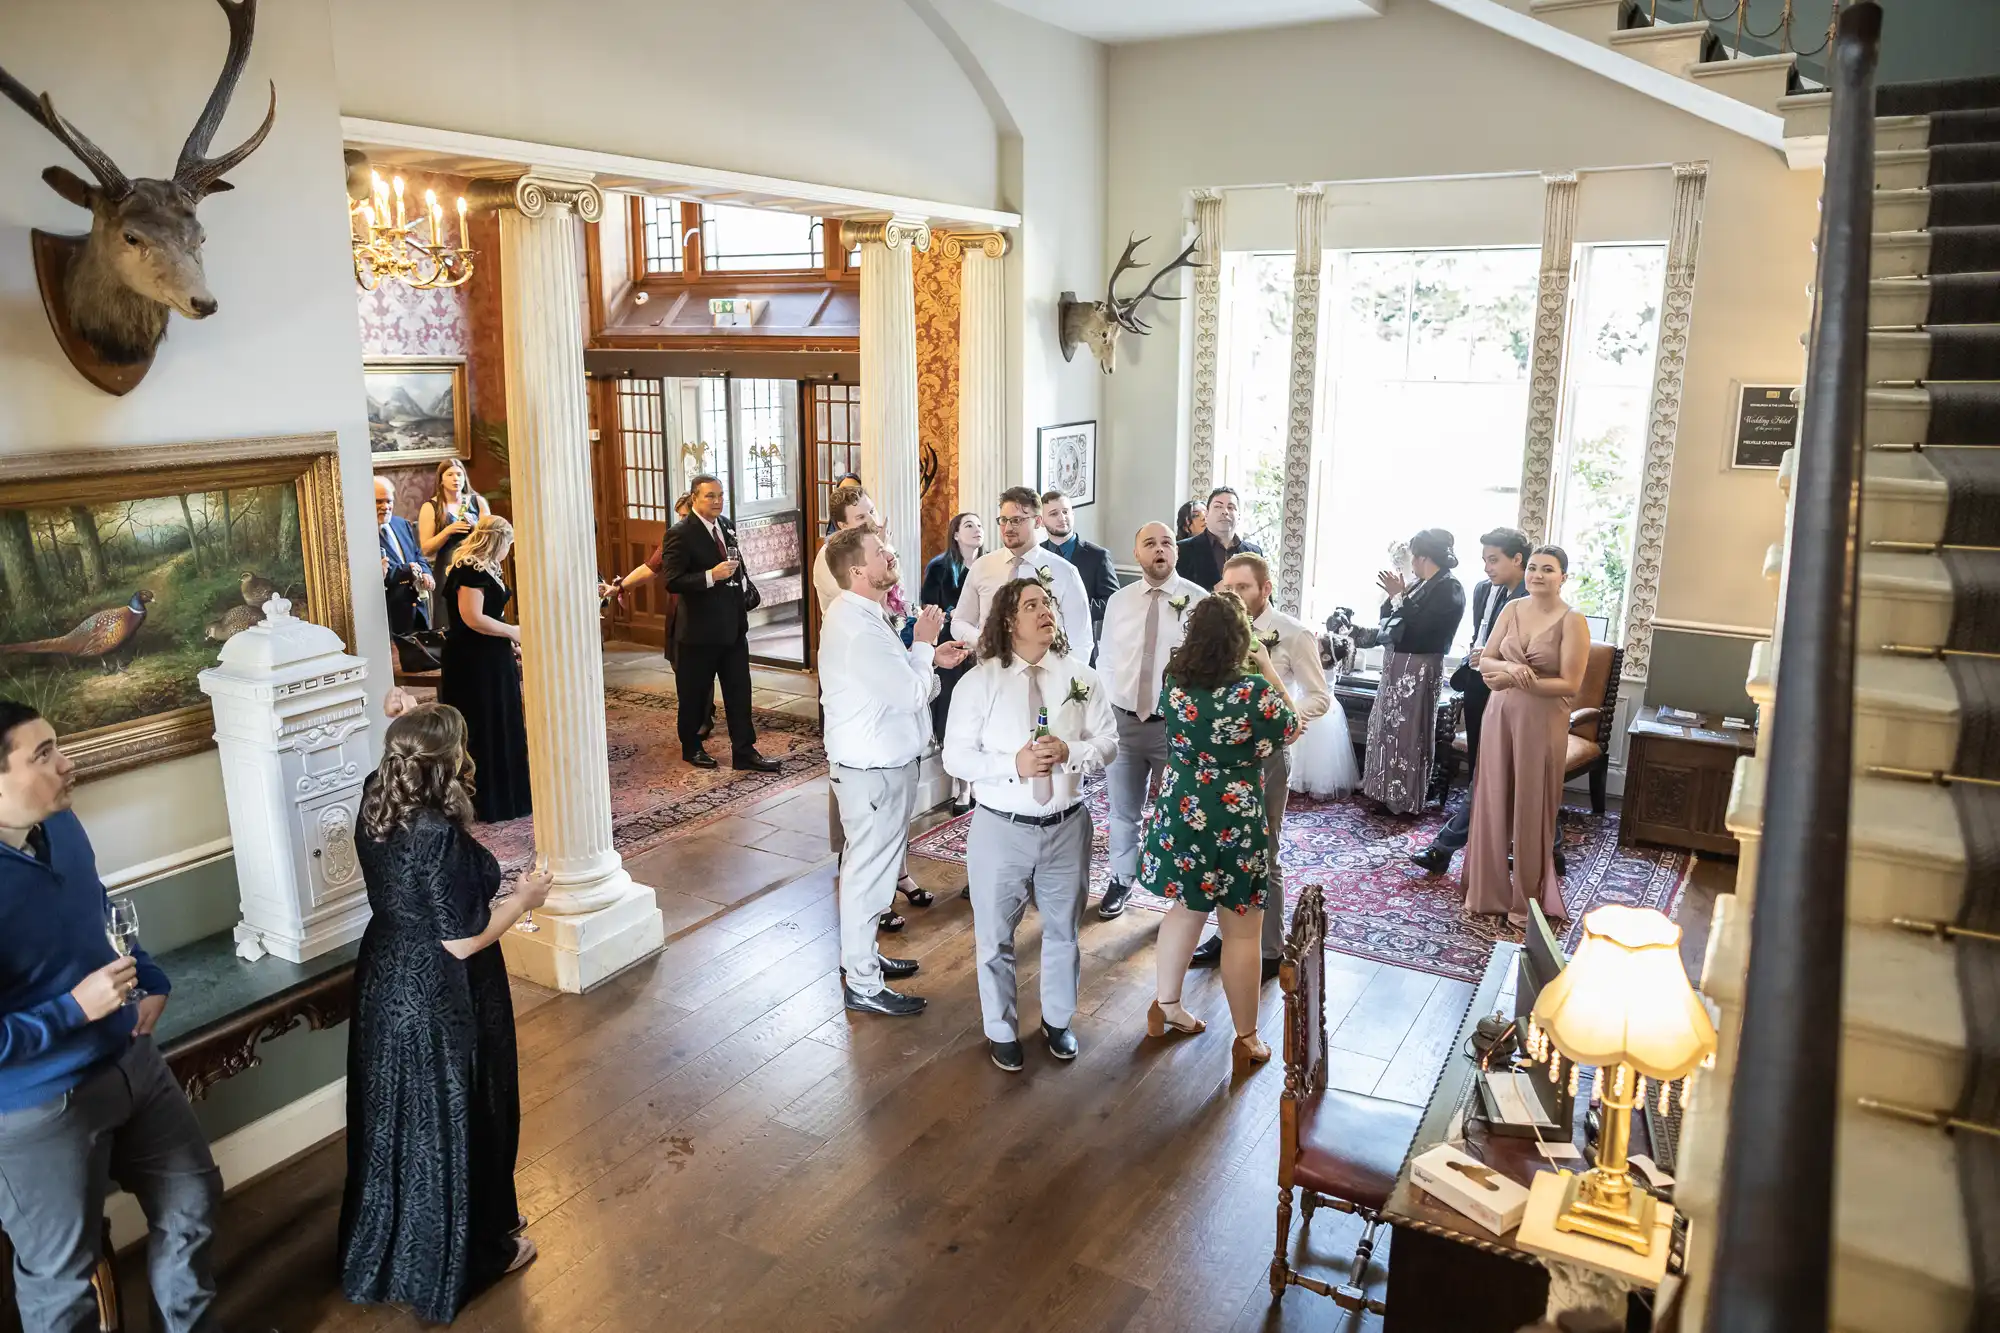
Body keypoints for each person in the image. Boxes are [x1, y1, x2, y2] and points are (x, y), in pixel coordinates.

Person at [0, 703, 221, 1331]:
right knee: (63, 1282)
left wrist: (146, 974)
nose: (67, 764)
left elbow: (96, 908)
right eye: (42, 754)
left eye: (58, 745)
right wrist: (72, 1010)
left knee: (193, 1203)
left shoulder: (62, 824)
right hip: (40, 1108)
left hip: (132, 1060)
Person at [339, 704, 552, 1323]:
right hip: (442, 994)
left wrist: (410, 716)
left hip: (385, 980)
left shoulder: (375, 795)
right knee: (460, 1113)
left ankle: (391, 1251)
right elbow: (462, 939)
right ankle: (471, 1252)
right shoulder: (436, 834)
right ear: (451, 761)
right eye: (461, 745)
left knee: (397, 1119)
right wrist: (523, 898)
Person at [944, 578, 1117, 1072]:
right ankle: (1000, 1029)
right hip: (1001, 827)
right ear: (1008, 620)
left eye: (1048, 603)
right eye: (1032, 605)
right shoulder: (980, 682)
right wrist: (1012, 766)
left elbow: (1109, 741)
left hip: (1068, 825)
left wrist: (1073, 751)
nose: (1045, 611)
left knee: (1064, 931)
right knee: (994, 935)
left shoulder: (1080, 676)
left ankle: (1058, 1022)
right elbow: (956, 755)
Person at [1136, 594, 1298, 1074]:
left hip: (1183, 807)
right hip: (1233, 815)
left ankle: (1164, 1006)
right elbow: (1290, 726)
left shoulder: (1175, 682)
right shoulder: (1252, 692)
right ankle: (1246, 1038)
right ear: (1240, 640)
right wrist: (1267, 666)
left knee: (1184, 909)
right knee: (1242, 930)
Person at [819, 528, 970, 1018]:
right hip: (872, 769)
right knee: (868, 876)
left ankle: (862, 960)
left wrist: (928, 659)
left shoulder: (864, 614)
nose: (891, 554)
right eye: (879, 552)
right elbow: (908, 694)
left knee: (874, 872)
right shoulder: (857, 626)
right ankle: (861, 983)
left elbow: (897, 680)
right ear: (858, 571)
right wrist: (925, 646)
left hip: (881, 765)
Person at [1184, 553, 1332, 980]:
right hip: (1220, 760)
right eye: (1225, 587)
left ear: (1265, 589)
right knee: (1219, 850)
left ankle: (1268, 947)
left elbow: (1319, 696)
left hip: (1266, 755)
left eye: (1242, 587)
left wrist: (1283, 717)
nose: (1232, 594)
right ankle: (1229, 934)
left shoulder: (1292, 633)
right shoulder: (1215, 632)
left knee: (1264, 850)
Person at [1463, 546, 1591, 928]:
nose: (1537, 575)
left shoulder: (1573, 620)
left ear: (1563, 577)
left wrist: (1518, 678)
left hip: (1542, 719)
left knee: (1532, 807)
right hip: (1499, 714)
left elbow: (1570, 683)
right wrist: (1506, 670)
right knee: (1492, 799)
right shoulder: (1512, 610)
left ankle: (1527, 902)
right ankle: (1489, 893)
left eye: (1548, 570)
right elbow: (1484, 659)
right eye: (1533, 568)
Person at [1096, 521, 1206, 921]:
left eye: (1166, 543)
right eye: (1150, 544)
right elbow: (1105, 658)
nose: (1159, 550)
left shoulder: (1198, 601)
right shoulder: (1119, 602)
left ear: (1175, 552)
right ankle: (1121, 879)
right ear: (1137, 553)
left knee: (1181, 809)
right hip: (1123, 722)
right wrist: (1107, 711)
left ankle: (1181, 891)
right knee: (1123, 810)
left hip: (1174, 726)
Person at [1412, 528, 1538, 876]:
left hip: (1513, 693)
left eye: (1493, 560)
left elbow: (1533, 655)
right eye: (1484, 560)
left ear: (1517, 560)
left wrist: (1495, 659)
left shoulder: (1533, 599)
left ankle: (1445, 847)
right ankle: (1549, 846)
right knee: (1491, 769)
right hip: (1477, 686)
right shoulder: (1483, 590)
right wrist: (1476, 655)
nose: (1486, 568)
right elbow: (1480, 635)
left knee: (1494, 772)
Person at [655, 475, 781, 772]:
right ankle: (692, 748)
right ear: (694, 498)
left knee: (740, 692)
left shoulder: (726, 524)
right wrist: (711, 575)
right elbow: (672, 581)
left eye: (720, 495)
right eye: (710, 496)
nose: (717, 501)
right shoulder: (680, 533)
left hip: (733, 627)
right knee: (694, 696)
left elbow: (738, 565)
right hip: (698, 632)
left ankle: (744, 751)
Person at [1359, 527, 1466, 816]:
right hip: (1397, 664)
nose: (1413, 563)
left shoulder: (1449, 588)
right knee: (1387, 728)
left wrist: (1399, 597)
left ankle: (1405, 798)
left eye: (1415, 557)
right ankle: (1383, 791)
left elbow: (1423, 629)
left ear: (1423, 557)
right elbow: (1390, 620)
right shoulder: (1420, 584)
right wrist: (1395, 596)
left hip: (1419, 667)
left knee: (1409, 730)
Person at [440, 515, 532, 822]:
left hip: (492, 655)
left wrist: (508, 641)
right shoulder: (469, 569)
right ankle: (485, 800)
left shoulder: (489, 567)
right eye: (509, 543)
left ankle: (510, 796)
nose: (510, 550)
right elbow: (472, 617)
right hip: (472, 660)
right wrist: (512, 632)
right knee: (483, 723)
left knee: (503, 719)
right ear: (498, 541)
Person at [602, 492, 709, 737]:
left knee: (699, 666)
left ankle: (702, 717)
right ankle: (700, 710)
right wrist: (620, 587)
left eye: (686, 516)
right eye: (680, 516)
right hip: (678, 610)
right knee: (679, 664)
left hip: (702, 612)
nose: (682, 521)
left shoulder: (711, 538)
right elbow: (650, 568)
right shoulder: (675, 538)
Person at [951, 486, 1094, 660]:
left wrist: (1066, 681)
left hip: (1046, 675)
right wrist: (983, 641)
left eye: (1017, 520)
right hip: (991, 674)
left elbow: (1081, 641)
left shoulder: (1064, 571)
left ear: (1038, 521)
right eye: (1004, 520)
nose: (1008, 527)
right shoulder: (982, 567)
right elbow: (959, 622)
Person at [922, 512, 985, 814]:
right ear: (956, 535)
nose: (977, 530)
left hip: (985, 652)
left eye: (980, 525)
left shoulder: (991, 567)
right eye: (969, 525)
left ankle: (983, 782)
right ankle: (964, 789)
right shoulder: (940, 567)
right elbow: (929, 608)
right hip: (953, 652)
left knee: (982, 719)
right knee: (953, 717)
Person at [1038, 490, 1118, 646]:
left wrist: (1077, 610)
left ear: (1073, 514)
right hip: (1042, 644)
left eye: (1066, 512)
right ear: (1041, 521)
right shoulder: (1036, 555)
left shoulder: (1098, 556)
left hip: (1082, 644)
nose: (1062, 518)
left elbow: (1113, 601)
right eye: (1054, 514)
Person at [418, 458, 488, 634]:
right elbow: (426, 548)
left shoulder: (477, 502)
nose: (455, 478)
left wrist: (476, 527)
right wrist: (448, 531)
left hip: (477, 565)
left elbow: (493, 536)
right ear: (441, 480)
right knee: (450, 619)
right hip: (447, 570)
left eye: (459, 474)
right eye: (450, 474)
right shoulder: (431, 507)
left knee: (481, 615)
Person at [376, 474, 433, 638]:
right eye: (379, 501)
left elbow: (417, 554)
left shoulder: (401, 524)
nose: (385, 506)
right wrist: (406, 569)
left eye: (389, 501)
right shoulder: (360, 533)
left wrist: (426, 572)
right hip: (390, 615)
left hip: (418, 608)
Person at [1174, 487, 1261, 591]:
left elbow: (1264, 600)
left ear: (1239, 516)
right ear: (1206, 515)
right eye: (1218, 506)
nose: (1225, 511)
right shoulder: (1182, 550)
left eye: (1231, 507)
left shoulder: (1254, 552)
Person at [812, 485, 877, 615]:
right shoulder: (829, 557)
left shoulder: (880, 545)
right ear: (843, 525)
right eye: (860, 517)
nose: (872, 520)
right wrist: (877, 555)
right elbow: (861, 602)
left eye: (872, 512)